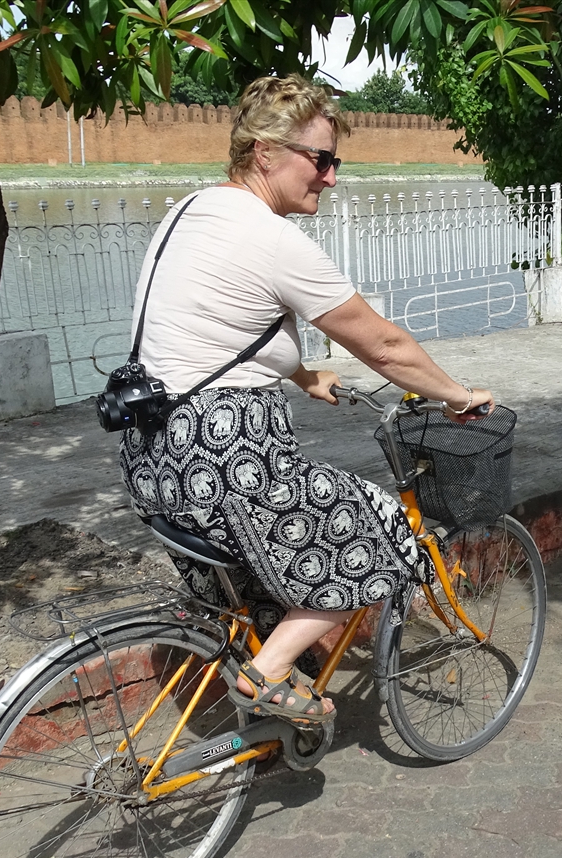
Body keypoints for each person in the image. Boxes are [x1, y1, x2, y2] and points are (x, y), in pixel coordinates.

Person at [117, 73, 495, 724]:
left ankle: (260, 730)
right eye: (320, 160)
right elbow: (384, 347)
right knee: (383, 535)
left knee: (272, 584)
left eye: (334, 162)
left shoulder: (192, 212)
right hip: (225, 462)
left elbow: (215, 326)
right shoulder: (273, 240)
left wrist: (301, 375)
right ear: (265, 153)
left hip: (152, 458)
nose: (331, 177)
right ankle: (264, 678)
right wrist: (458, 396)